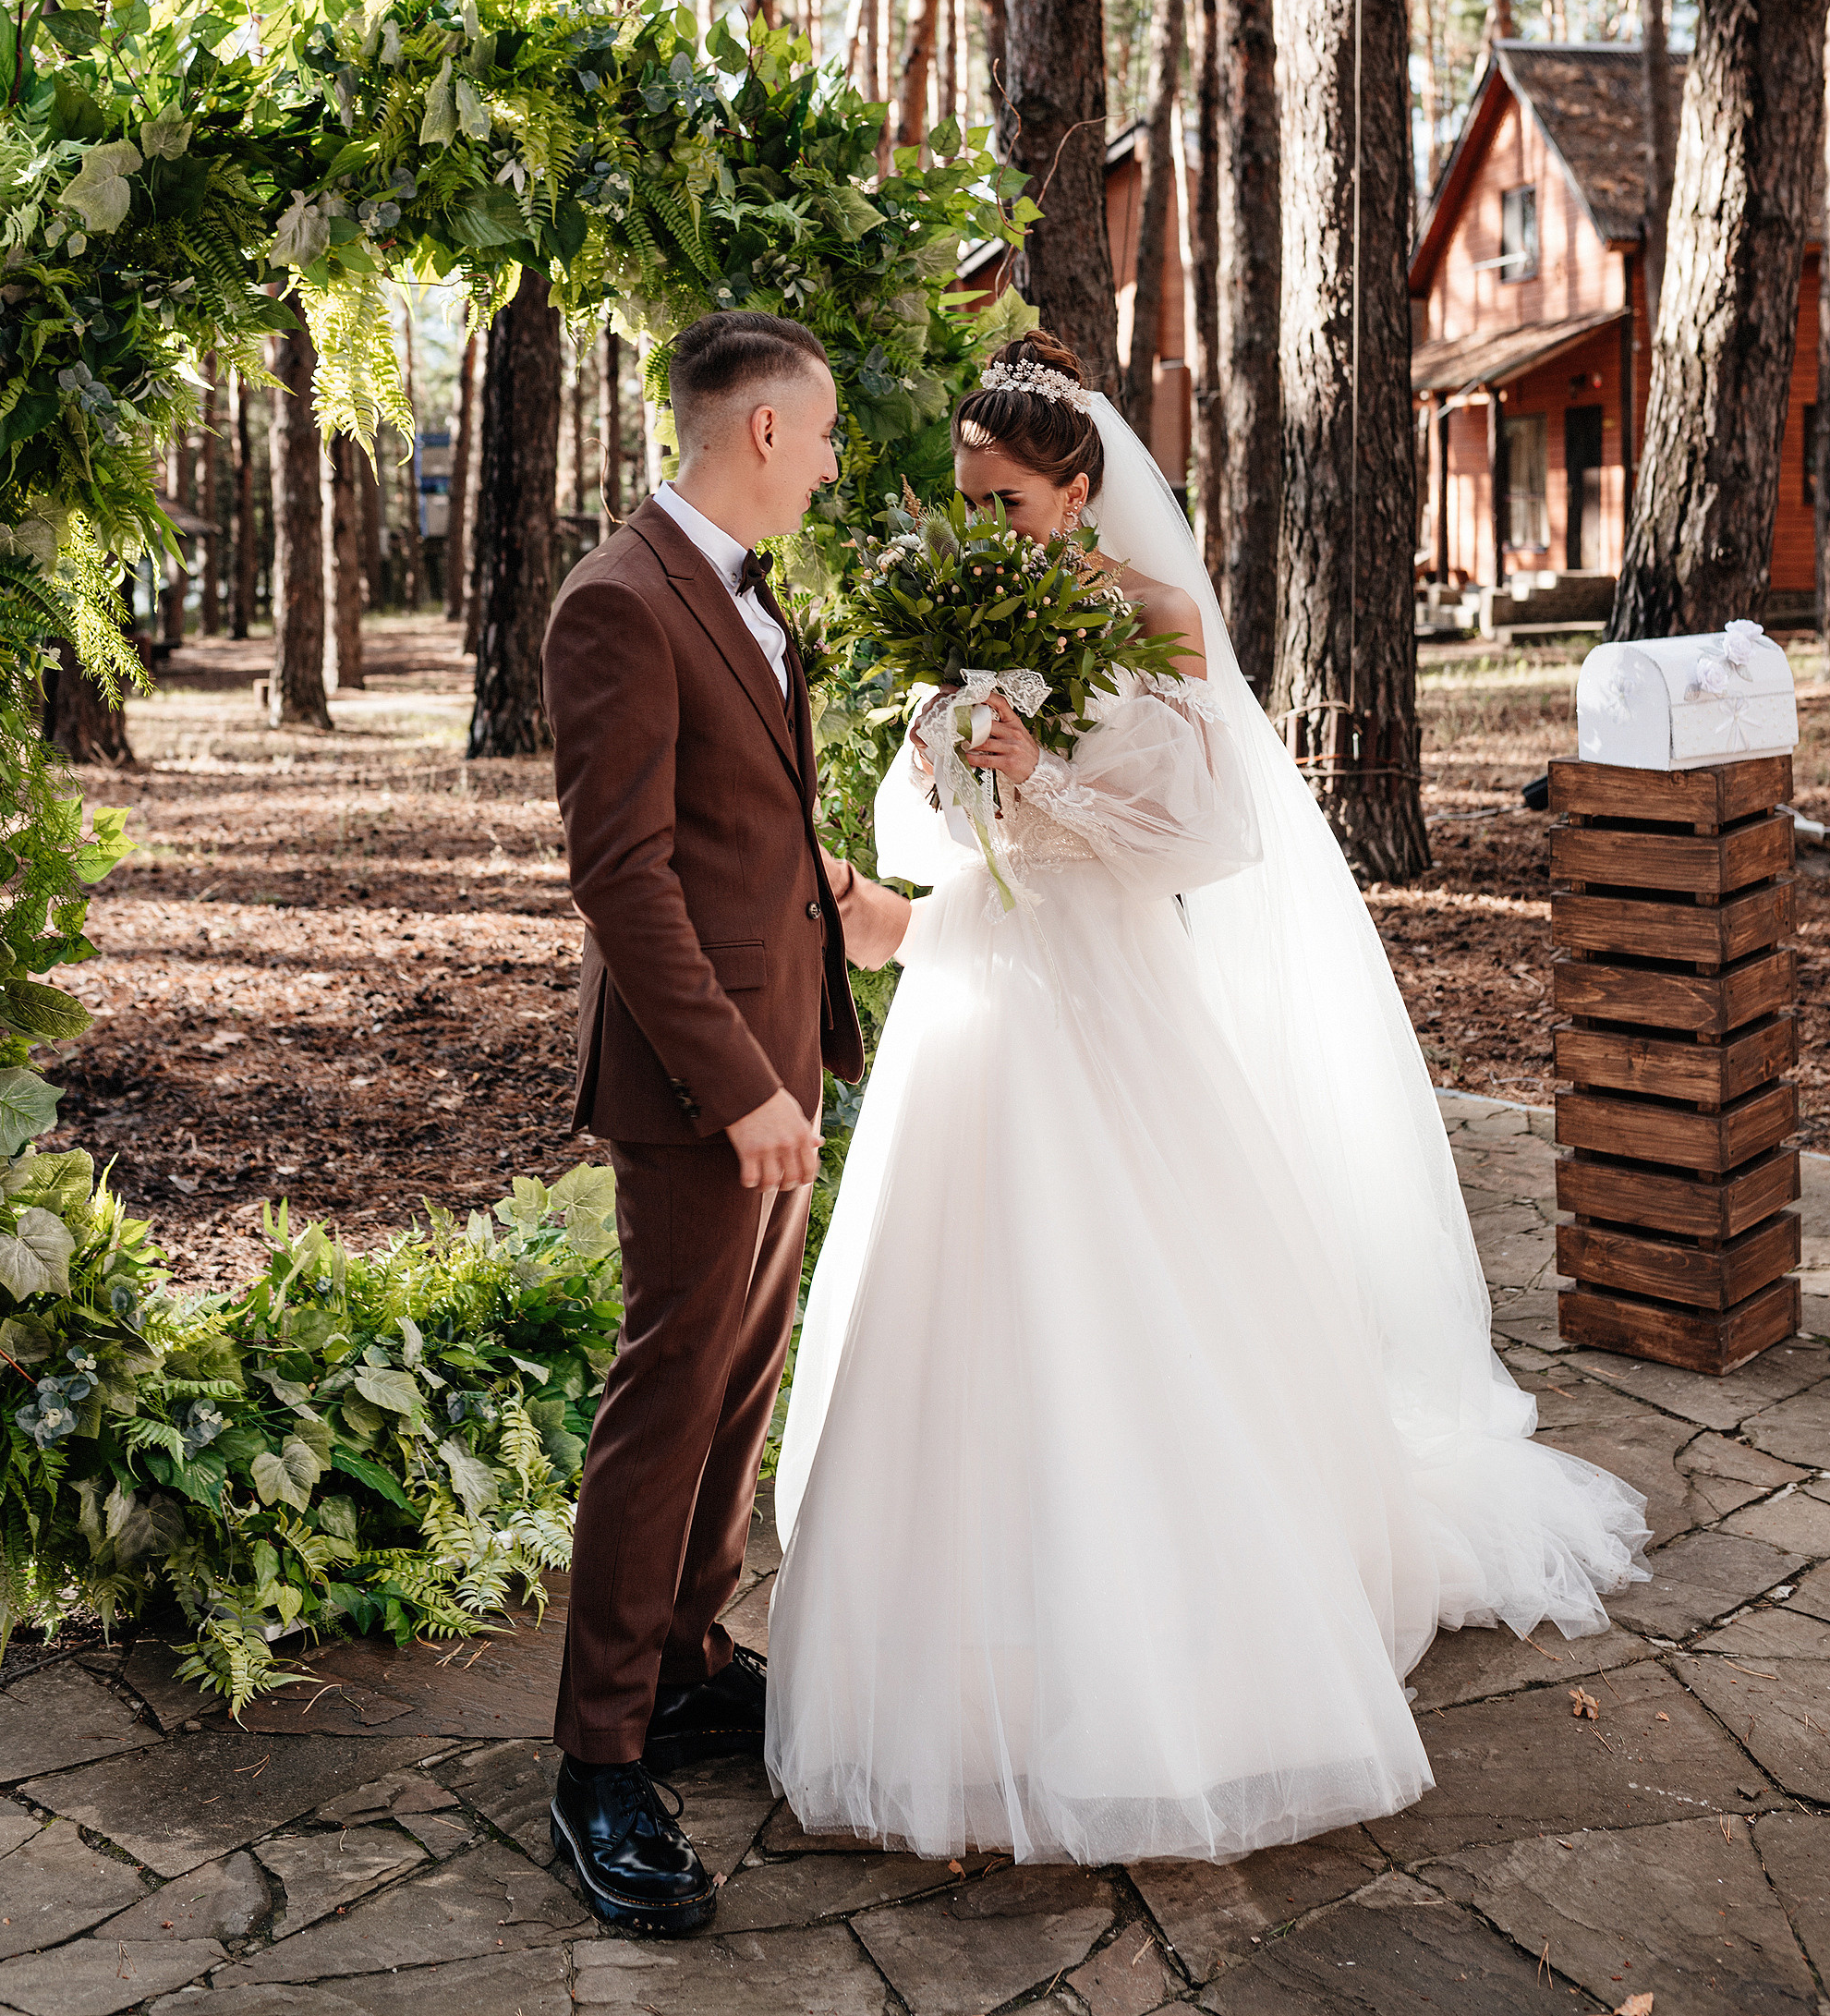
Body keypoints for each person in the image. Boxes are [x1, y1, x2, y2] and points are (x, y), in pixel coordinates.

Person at [765, 331, 1650, 1867]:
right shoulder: (960, 623)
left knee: (1130, 1304)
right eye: (965, 506)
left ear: (1082, 487)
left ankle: (1164, 1643)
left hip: (1108, 1003)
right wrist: (942, 754)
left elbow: (1203, 832)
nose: (985, 537)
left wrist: (1035, 769)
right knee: (960, 1318)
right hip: (977, 1001)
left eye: (1011, 508)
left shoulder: (1161, 617)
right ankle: (967, 1641)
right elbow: (931, 835)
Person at [539, 310, 903, 1934]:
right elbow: (621, 881)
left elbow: (729, 832)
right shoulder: (616, 604)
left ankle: (685, 1661)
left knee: (739, 1384)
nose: (831, 466)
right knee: (670, 1386)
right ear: (764, 432)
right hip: (705, 1087)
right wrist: (743, 1088)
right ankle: (597, 1758)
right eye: (823, 437)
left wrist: (840, 907)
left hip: (780, 1051)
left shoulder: (746, 598)